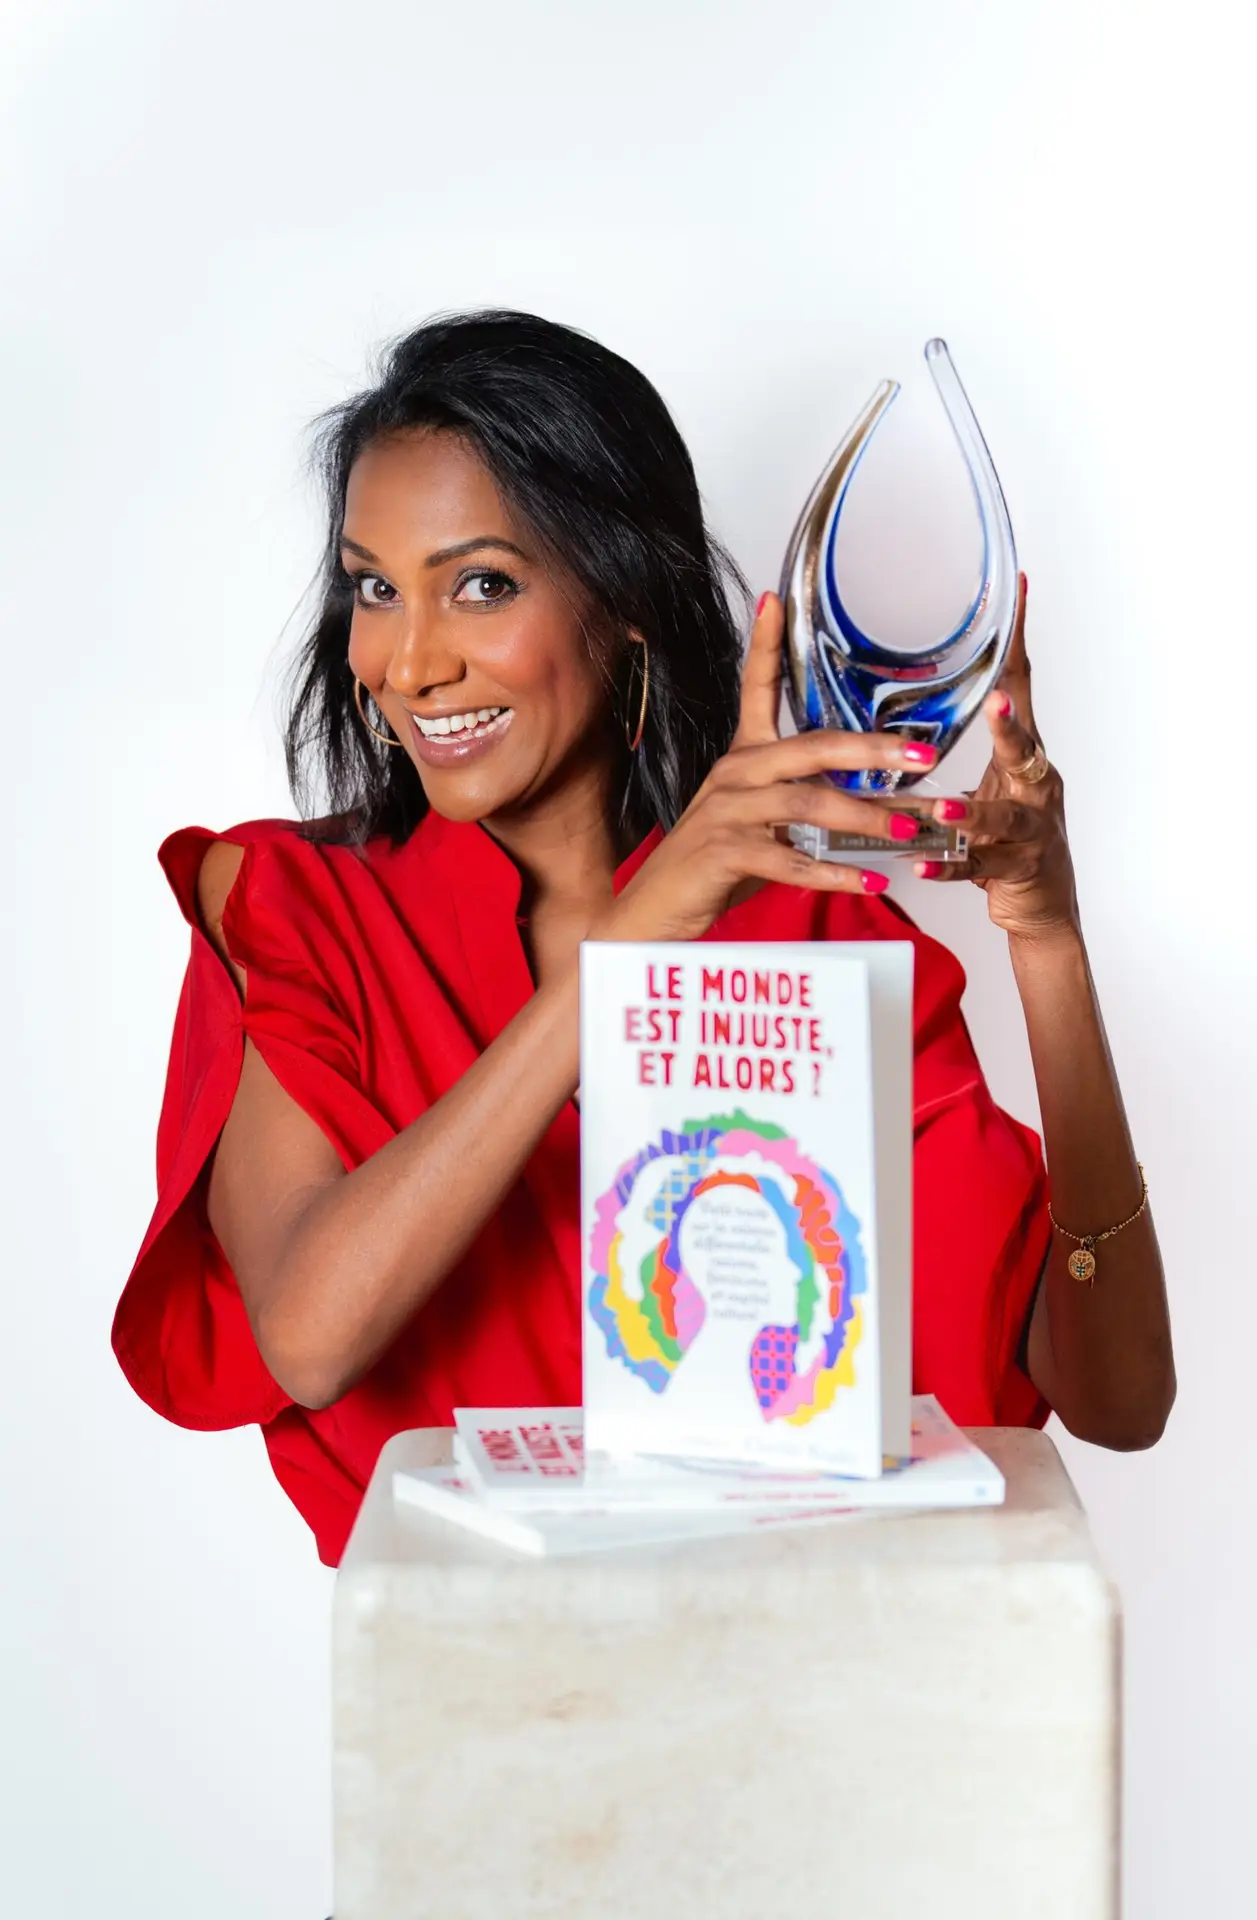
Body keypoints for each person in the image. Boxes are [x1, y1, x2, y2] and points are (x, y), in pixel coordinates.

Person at [113, 310, 1175, 1567]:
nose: (407, 662)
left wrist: (1046, 944)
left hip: (830, 1687)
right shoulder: (295, 908)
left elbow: (1116, 1400)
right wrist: (635, 943)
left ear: (622, 596)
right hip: (495, 1716)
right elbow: (309, 1328)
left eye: (481, 586)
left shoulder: (810, 931)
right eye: (372, 589)